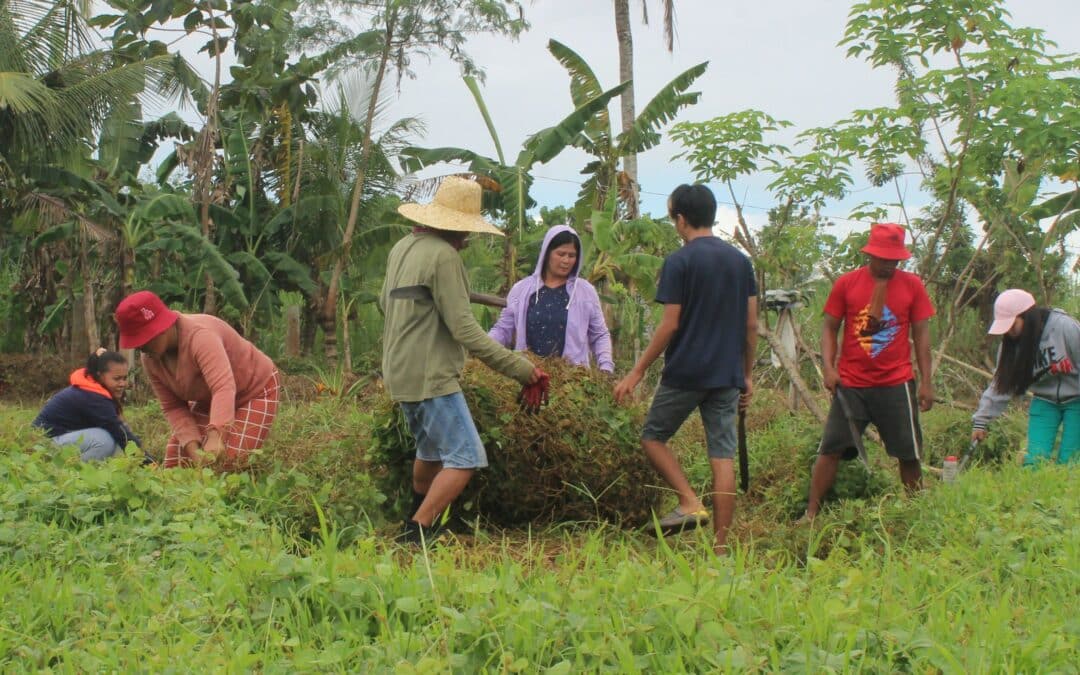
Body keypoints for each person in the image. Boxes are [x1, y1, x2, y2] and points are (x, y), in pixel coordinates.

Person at [381, 176, 548, 545]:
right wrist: (522, 369)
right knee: (466, 457)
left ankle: (420, 511)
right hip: (432, 376)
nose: (468, 239)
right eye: (466, 231)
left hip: (399, 371)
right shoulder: (444, 255)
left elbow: (387, 303)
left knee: (429, 451)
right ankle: (417, 532)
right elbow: (466, 331)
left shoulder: (404, 246)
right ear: (457, 227)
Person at [613, 184, 758, 554]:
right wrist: (747, 374)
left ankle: (689, 501)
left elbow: (670, 324)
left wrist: (637, 371)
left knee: (653, 436)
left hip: (686, 372)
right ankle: (722, 548)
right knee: (722, 455)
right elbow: (751, 324)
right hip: (727, 375)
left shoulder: (680, 261)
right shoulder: (741, 262)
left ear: (681, 219)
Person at [804, 223, 935, 521]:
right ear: (870, 255)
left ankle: (918, 513)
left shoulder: (912, 285)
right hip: (852, 384)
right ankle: (811, 513)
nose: (889, 264)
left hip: (896, 382)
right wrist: (828, 367)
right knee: (831, 449)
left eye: (895, 260)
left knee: (908, 454)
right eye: (883, 258)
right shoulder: (847, 284)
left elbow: (923, 336)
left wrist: (927, 382)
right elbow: (829, 327)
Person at [114, 290, 279, 471]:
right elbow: (173, 406)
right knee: (177, 462)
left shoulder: (201, 337)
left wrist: (216, 436)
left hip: (254, 391)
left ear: (160, 328)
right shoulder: (151, 359)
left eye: (143, 340)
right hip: (210, 398)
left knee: (228, 463)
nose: (141, 347)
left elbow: (223, 387)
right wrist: (194, 453)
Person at [971, 289, 1078, 465]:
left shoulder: (1064, 328)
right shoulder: (1011, 347)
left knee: (1070, 460)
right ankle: (1034, 493)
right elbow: (1001, 385)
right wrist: (981, 422)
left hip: (1077, 400)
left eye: (1012, 325)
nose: (1009, 333)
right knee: (1034, 461)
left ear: (1028, 316)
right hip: (1045, 401)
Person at [488, 224, 614, 372]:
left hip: (571, 381)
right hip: (528, 376)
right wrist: (483, 347)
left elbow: (600, 335)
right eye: (561, 254)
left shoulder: (585, 292)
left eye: (571, 255)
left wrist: (606, 367)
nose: (566, 261)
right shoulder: (522, 289)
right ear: (547, 253)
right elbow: (503, 329)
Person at [33, 349, 143, 462]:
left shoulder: (95, 389)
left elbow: (123, 433)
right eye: (117, 379)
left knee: (119, 445)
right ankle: (71, 472)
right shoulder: (92, 397)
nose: (122, 384)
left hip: (65, 437)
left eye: (124, 378)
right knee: (104, 440)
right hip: (45, 442)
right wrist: (147, 459)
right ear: (100, 375)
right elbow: (120, 432)